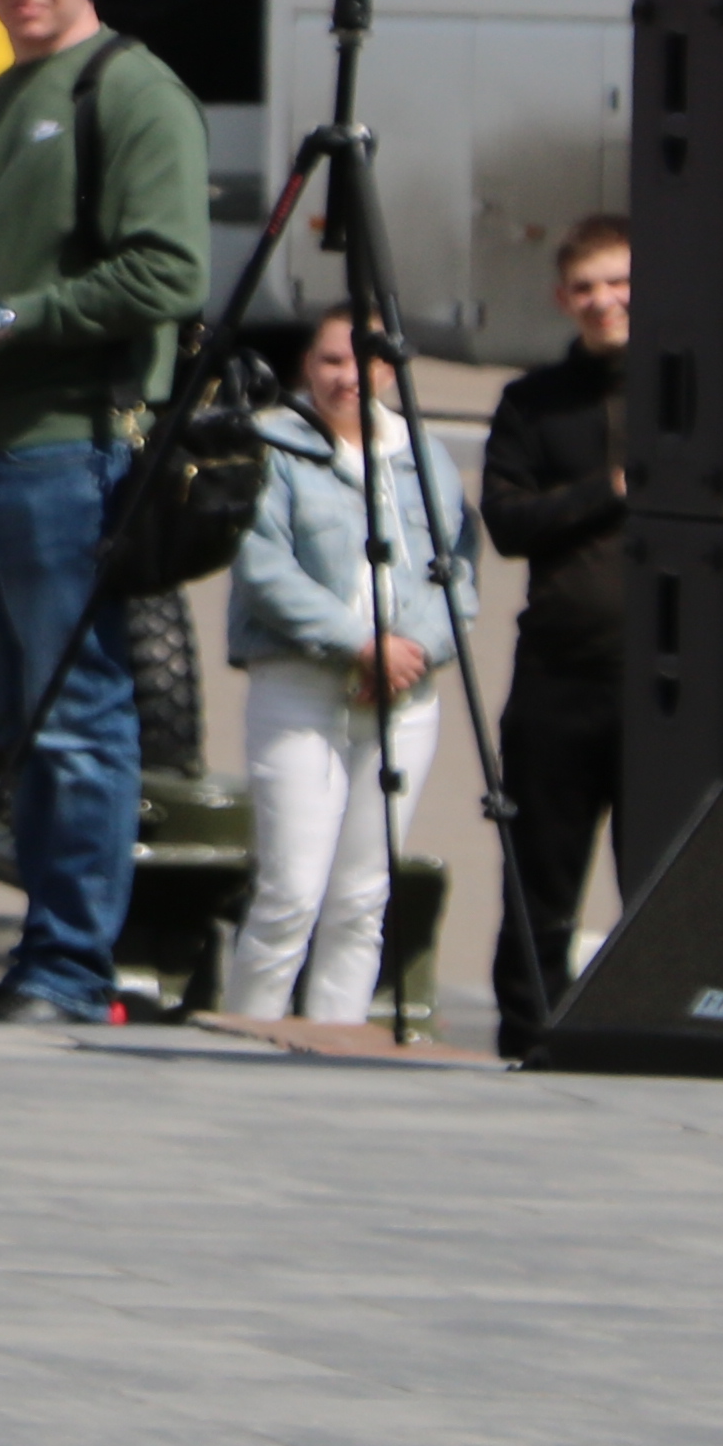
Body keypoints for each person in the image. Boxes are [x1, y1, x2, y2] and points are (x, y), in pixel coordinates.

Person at [0, 0, 206, 1025]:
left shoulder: (134, 95)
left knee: (74, 716)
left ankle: (71, 969)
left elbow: (170, 274)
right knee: (15, 718)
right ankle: (42, 953)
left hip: (67, 451)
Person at [226, 305, 475, 1023]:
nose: (349, 378)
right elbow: (264, 569)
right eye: (332, 360)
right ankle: (243, 1039)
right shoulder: (271, 445)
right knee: (290, 893)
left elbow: (457, 569)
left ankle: (333, 1042)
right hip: (300, 687)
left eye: (366, 361)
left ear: (392, 369)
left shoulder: (422, 456)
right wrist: (358, 642)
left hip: (404, 694)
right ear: (308, 365)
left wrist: (412, 650)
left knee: (362, 896)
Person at [479, 217, 629, 1053]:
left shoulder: (690, 392)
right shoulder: (532, 403)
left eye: (620, 284)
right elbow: (506, 521)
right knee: (539, 870)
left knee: (659, 874)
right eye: (586, 287)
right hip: (559, 674)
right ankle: (532, 1034)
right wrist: (605, 490)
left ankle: (656, 1028)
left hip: (663, 681)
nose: (603, 301)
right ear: (562, 299)